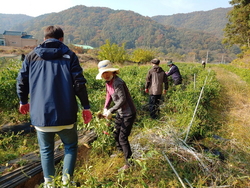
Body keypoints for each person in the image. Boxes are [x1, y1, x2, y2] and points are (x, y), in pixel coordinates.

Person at [16, 25, 92, 188]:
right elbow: (79, 83)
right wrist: (86, 106)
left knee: (46, 151)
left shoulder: (31, 56)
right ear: (61, 39)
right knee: (70, 147)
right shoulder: (69, 55)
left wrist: (23, 101)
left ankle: (49, 184)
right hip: (65, 113)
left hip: (41, 115)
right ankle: (66, 183)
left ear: (44, 39)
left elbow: (22, 80)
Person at [96, 60, 136, 171]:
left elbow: (122, 99)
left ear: (112, 72)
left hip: (128, 113)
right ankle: (120, 151)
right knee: (115, 132)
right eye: (103, 73)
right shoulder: (108, 82)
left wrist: (111, 111)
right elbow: (108, 95)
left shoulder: (118, 82)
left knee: (123, 138)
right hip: (120, 112)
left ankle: (130, 163)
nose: (105, 75)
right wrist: (105, 107)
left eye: (107, 72)